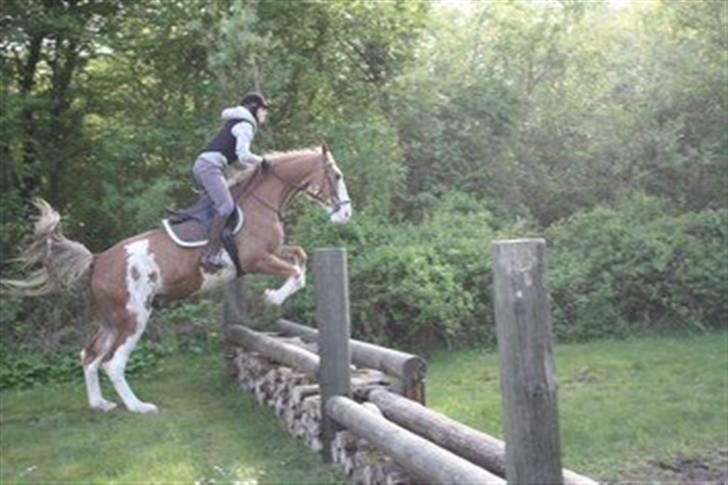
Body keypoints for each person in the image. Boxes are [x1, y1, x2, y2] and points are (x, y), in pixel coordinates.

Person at [193, 91, 270, 270]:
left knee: (224, 204)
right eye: (263, 109)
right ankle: (210, 254)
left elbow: (237, 161)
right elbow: (244, 156)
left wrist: (254, 168)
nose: (265, 114)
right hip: (209, 167)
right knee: (226, 206)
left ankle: (211, 244)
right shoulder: (245, 125)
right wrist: (263, 161)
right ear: (253, 108)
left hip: (206, 165)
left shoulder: (237, 123)